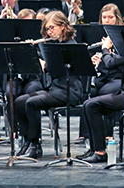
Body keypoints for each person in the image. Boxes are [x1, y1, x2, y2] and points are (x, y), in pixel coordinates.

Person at [77, 12, 124, 163]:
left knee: (91, 105)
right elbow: (112, 64)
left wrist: (105, 49)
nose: (123, 30)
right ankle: (95, 149)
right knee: (88, 105)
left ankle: (100, 152)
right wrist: (105, 56)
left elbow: (111, 63)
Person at [15, 11, 83, 159]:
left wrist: (44, 64)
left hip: (69, 91)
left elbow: (54, 67)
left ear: (63, 26)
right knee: (19, 102)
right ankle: (27, 141)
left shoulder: (70, 45)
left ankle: (34, 144)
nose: (49, 32)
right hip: (55, 89)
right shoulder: (52, 43)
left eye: (52, 28)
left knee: (32, 103)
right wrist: (30, 50)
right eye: (47, 29)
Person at [73, 4, 123, 146]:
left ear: (117, 18)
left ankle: (107, 134)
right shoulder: (97, 34)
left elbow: (118, 61)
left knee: (104, 93)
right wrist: (94, 60)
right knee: (89, 92)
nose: (107, 20)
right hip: (102, 76)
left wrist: (108, 53)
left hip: (117, 77)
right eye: (104, 17)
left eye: (110, 17)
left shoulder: (121, 35)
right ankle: (85, 133)